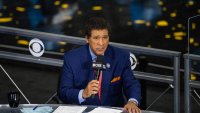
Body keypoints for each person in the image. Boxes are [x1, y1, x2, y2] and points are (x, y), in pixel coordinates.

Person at [58, 17, 141, 113]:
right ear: (87, 39)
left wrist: (132, 101)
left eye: (105, 37)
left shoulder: (121, 56)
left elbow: (131, 83)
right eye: (96, 38)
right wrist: (83, 93)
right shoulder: (71, 58)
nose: (101, 43)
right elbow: (63, 91)